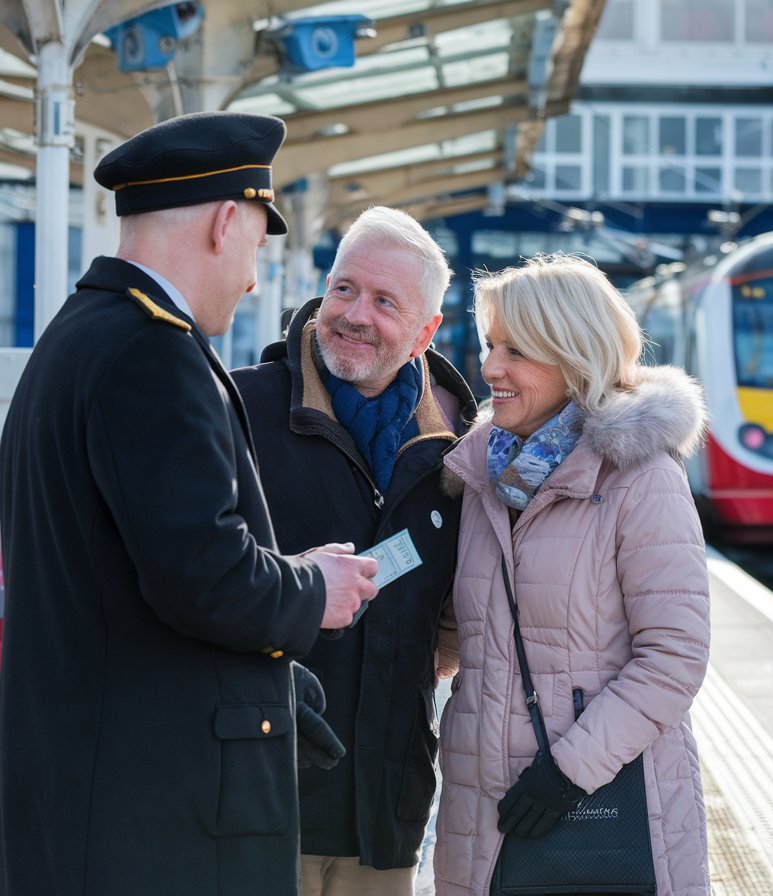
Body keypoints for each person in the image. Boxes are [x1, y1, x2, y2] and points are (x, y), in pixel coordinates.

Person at [0, 111, 380, 896]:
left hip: (90, 792)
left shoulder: (75, 338)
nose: (251, 279)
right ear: (224, 220)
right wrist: (314, 588)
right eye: (254, 245)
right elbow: (203, 577)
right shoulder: (153, 354)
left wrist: (280, 572)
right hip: (152, 819)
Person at [433, 253, 712, 895]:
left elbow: (674, 657)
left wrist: (568, 771)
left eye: (517, 352)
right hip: (482, 818)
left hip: (604, 811)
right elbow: (455, 633)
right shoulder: (479, 476)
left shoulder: (642, 479)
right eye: (491, 345)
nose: (491, 368)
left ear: (574, 357)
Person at [231, 205, 477, 896]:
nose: (354, 314)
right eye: (344, 288)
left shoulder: (458, 455)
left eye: (384, 301)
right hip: (257, 804)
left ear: (426, 331)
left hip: (385, 820)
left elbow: (462, 611)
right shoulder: (241, 412)